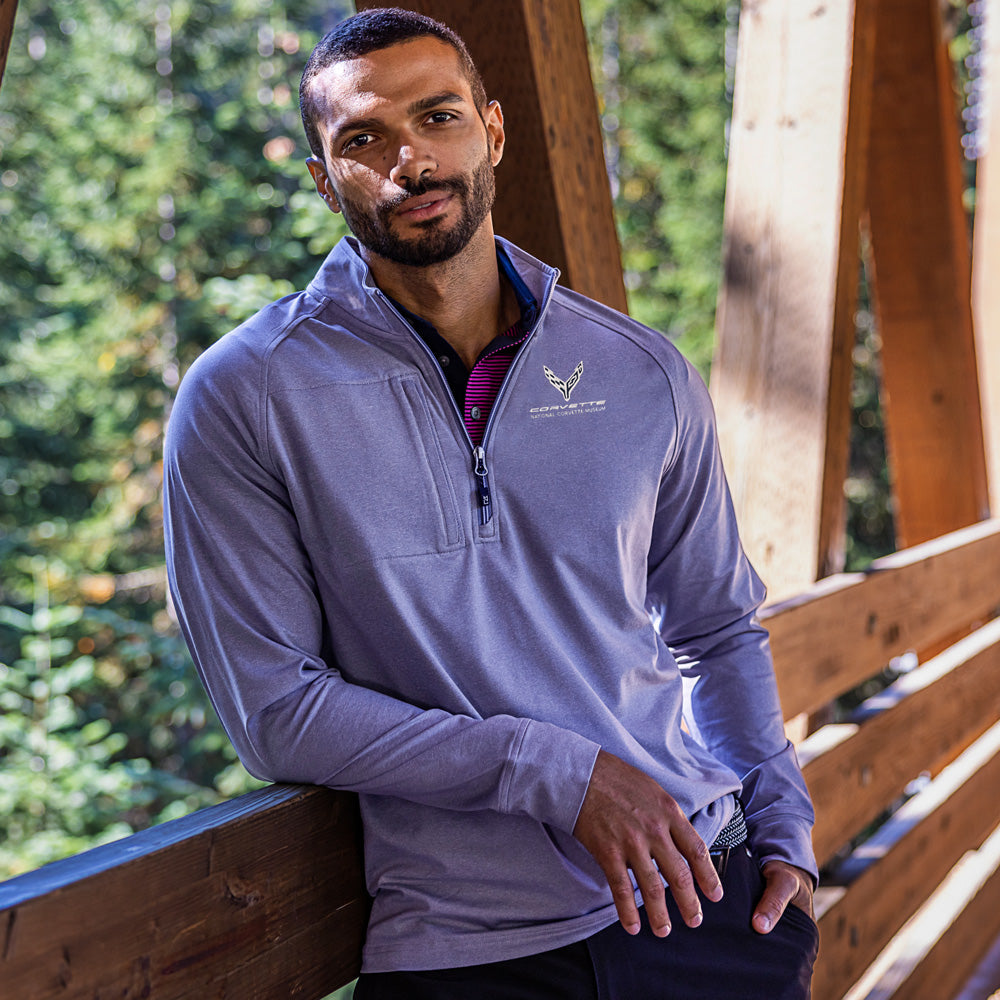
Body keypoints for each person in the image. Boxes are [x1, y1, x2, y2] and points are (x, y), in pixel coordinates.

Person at [163, 7, 819, 998]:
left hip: (705, 897)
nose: (409, 162)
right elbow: (275, 711)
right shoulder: (246, 394)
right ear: (320, 176)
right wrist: (556, 770)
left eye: (437, 118)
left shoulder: (637, 370)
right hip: (467, 948)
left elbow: (718, 625)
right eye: (362, 140)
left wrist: (786, 833)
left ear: (494, 130)